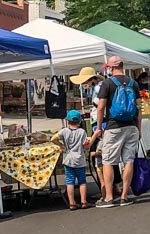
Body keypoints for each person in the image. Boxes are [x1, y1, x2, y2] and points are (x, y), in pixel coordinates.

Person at [94, 55, 142, 208]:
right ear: (122, 65)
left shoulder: (107, 84)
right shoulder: (133, 84)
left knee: (108, 161)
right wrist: (139, 128)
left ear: (110, 67)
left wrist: (100, 127)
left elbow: (101, 107)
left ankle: (108, 197)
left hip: (114, 126)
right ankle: (124, 196)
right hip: (132, 126)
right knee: (128, 160)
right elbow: (139, 109)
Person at [56, 109, 89, 210]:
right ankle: (83, 202)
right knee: (82, 181)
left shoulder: (64, 131)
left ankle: (72, 203)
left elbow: (53, 138)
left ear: (67, 121)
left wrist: (61, 145)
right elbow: (85, 145)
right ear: (79, 122)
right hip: (79, 159)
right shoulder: (82, 132)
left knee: (70, 182)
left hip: (68, 159)